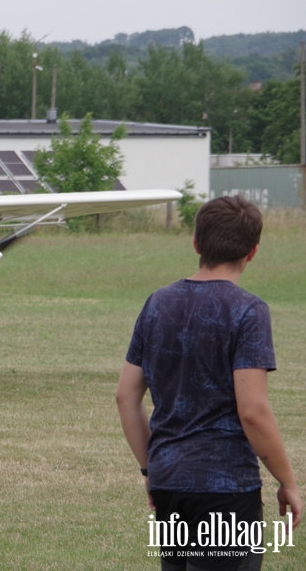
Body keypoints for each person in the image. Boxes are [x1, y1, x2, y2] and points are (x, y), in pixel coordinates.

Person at [116, 195, 301, 570]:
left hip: (169, 482)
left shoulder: (157, 303)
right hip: (224, 486)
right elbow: (252, 411)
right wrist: (289, 482)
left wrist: (150, 469)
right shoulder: (249, 311)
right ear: (253, 251)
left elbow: (125, 396)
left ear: (196, 243)